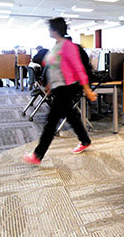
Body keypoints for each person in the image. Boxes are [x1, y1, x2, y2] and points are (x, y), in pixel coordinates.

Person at [23, 18, 97, 165]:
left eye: (50, 28)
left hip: (67, 87)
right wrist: (50, 84)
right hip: (59, 87)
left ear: (55, 30)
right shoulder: (57, 46)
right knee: (72, 116)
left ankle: (38, 155)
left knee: (51, 122)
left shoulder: (68, 46)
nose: (49, 31)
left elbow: (78, 68)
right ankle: (85, 140)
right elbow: (56, 67)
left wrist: (87, 89)